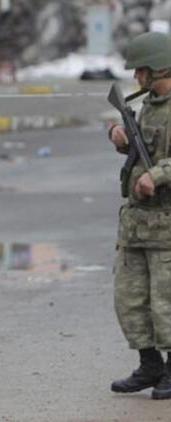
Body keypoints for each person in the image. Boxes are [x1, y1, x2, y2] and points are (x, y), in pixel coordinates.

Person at [109, 31, 171, 400]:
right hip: (136, 223)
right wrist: (121, 138)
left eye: (141, 70)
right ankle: (150, 365)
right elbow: (143, 148)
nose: (136, 78)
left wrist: (158, 174)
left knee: (167, 301)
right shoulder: (148, 104)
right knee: (130, 299)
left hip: (166, 224)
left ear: (160, 68)